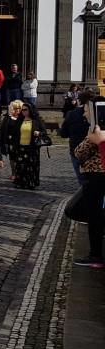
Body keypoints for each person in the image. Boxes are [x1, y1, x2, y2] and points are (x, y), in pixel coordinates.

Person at [73, 97, 105, 267]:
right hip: (96, 177)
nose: (84, 112)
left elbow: (79, 153)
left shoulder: (96, 131)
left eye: (86, 109)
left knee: (94, 216)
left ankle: (96, 255)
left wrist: (89, 139)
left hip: (95, 177)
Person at [7, 102, 47, 190]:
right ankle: (20, 182)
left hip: (32, 147)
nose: (23, 112)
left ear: (30, 110)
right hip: (21, 147)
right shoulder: (20, 121)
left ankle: (31, 182)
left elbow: (44, 133)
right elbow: (14, 134)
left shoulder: (36, 121)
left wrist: (39, 133)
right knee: (21, 166)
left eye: (25, 110)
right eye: (22, 110)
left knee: (32, 165)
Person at [61, 88, 94, 184]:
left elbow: (64, 133)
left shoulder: (71, 114)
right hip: (94, 151)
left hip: (76, 149)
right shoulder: (98, 113)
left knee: (83, 181)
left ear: (79, 100)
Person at [0, 99, 24, 181]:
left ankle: (21, 173)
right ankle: (14, 173)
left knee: (21, 158)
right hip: (11, 142)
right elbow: (3, 131)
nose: (18, 110)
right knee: (12, 158)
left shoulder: (24, 118)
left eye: (19, 108)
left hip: (22, 141)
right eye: (16, 108)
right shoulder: (8, 118)